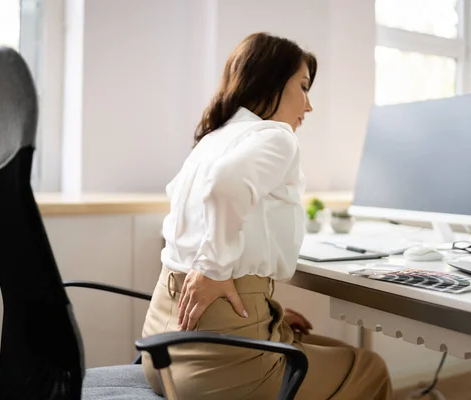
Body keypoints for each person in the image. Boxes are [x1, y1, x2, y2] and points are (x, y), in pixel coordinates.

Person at [141, 32, 394, 400]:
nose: (308, 106)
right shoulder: (276, 136)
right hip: (215, 363)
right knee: (369, 367)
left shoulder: (213, 139)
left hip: (161, 353)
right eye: (304, 88)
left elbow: (222, 216)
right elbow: (225, 187)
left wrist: (266, 311)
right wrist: (214, 268)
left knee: (318, 345)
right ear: (271, 82)